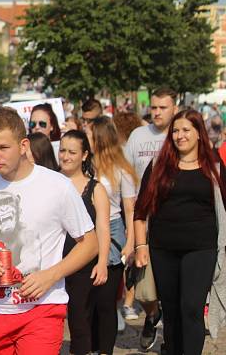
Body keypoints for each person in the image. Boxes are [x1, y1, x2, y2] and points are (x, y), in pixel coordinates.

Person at [0, 107, 97, 354]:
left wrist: (51, 275)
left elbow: (90, 243)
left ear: (23, 145)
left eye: (3, 148)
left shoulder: (57, 186)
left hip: (43, 309)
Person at [134, 109, 225, 355]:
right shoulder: (158, 166)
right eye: (175, 130)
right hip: (163, 249)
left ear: (198, 133)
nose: (179, 135)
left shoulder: (215, 166)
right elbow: (140, 211)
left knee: (192, 308)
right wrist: (141, 247)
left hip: (201, 248)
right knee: (172, 311)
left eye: (186, 130)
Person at [124, 87, 178, 350]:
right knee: (141, 282)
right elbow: (127, 180)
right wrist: (131, 232)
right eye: (153, 107)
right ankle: (153, 314)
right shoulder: (138, 135)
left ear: (174, 109)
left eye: (162, 107)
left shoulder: (180, 135)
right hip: (141, 218)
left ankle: (171, 338)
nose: (156, 112)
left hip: (172, 221)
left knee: (171, 282)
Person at [58, 130, 111, 355]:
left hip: (84, 263)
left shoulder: (95, 189)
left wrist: (102, 262)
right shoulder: (52, 182)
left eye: (72, 152)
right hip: (53, 261)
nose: (66, 156)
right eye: (62, 151)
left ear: (84, 155)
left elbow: (103, 228)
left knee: (79, 317)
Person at [89, 116, 138, 351]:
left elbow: (129, 209)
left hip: (113, 232)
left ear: (99, 138)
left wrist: (130, 243)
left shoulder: (120, 170)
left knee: (106, 302)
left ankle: (104, 349)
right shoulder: (84, 165)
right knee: (90, 301)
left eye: (89, 134)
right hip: (86, 232)